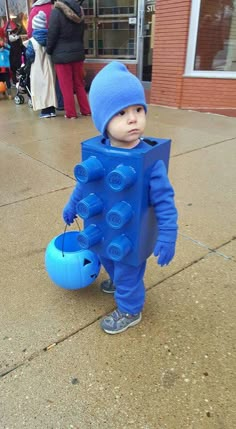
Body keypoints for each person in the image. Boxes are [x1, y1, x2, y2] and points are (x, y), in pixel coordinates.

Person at [62, 62, 178, 335]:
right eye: (122, 112)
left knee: (128, 269)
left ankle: (130, 309)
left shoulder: (150, 163)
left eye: (139, 109)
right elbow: (86, 185)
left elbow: (165, 201)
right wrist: (72, 205)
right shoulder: (97, 154)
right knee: (108, 259)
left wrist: (168, 234)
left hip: (131, 233)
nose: (133, 118)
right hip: (104, 228)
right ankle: (118, 283)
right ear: (103, 121)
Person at [46, 0, 91, 119]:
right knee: (80, 84)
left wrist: (49, 50)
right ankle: (86, 110)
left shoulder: (56, 12)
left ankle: (71, 113)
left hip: (61, 55)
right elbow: (81, 34)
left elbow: (52, 34)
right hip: (78, 53)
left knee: (66, 86)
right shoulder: (80, 11)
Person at [26, 11, 57, 118]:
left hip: (37, 68)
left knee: (40, 88)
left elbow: (29, 56)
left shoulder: (32, 41)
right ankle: (52, 110)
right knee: (50, 87)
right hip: (49, 67)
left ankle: (45, 111)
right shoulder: (49, 39)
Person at [0, 27, 11, 99]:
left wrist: (5, 45)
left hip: (6, 68)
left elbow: (10, 50)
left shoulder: (6, 49)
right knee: (0, 82)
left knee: (7, 82)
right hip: (0, 68)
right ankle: (2, 93)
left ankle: (9, 93)